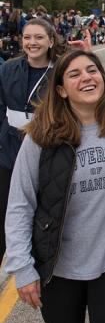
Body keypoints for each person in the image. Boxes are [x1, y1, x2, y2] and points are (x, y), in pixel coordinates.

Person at [5, 49, 105, 323]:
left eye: (92, 70)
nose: (87, 78)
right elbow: (20, 203)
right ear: (62, 90)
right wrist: (23, 267)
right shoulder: (42, 135)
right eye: (74, 74)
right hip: (59, 268)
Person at [0, 18, 63, 264]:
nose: (32, 42)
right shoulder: (7, 69)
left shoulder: (60, 70)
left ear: (50, 41)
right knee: (5, 215)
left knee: (41, 217)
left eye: (38, 37)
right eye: (27, 37)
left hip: (47, 156)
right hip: (8, 155)